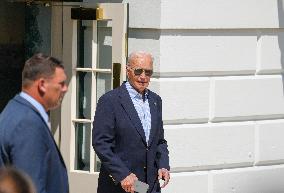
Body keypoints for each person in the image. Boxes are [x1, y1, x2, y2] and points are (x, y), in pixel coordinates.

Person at [92, 51, 170, 193]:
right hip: (122, 185)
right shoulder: (110, 101)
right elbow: (101, 143)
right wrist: (122, 174)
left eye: (148, 72)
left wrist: (163, 165)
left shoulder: (155, 100)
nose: (143, 76)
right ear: (128, 71)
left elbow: (159, 141)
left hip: (149, 187)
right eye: (138, 71)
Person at [0, 53, 69, 193]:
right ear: (42, 85)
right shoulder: (27, 124)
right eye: (61, 84)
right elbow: (32, 187)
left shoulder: (15, 109)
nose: (65, 88)